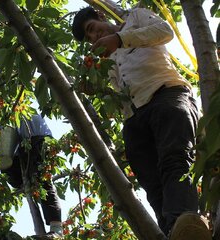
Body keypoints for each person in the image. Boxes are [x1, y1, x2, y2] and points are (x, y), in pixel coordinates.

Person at [72, 6, 212, 239]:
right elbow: (116, 95)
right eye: (89, 37)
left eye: (92, 28)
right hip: (134, 117)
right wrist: (94, 86)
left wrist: (119, 39)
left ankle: (185, 222)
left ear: (101, 15)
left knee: (175, 158)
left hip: (166, 94)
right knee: (151, 182)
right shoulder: (108, 57)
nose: (94, 36)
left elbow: (165, 31)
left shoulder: (135, 18)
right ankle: (171, 232)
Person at [2, 114, 63, 238]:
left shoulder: (22, 111)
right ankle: (26, 186)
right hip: (24, 148)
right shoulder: (12, 120)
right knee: (10, 172)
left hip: (39, 140)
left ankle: (57, 229)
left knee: (43, 182)